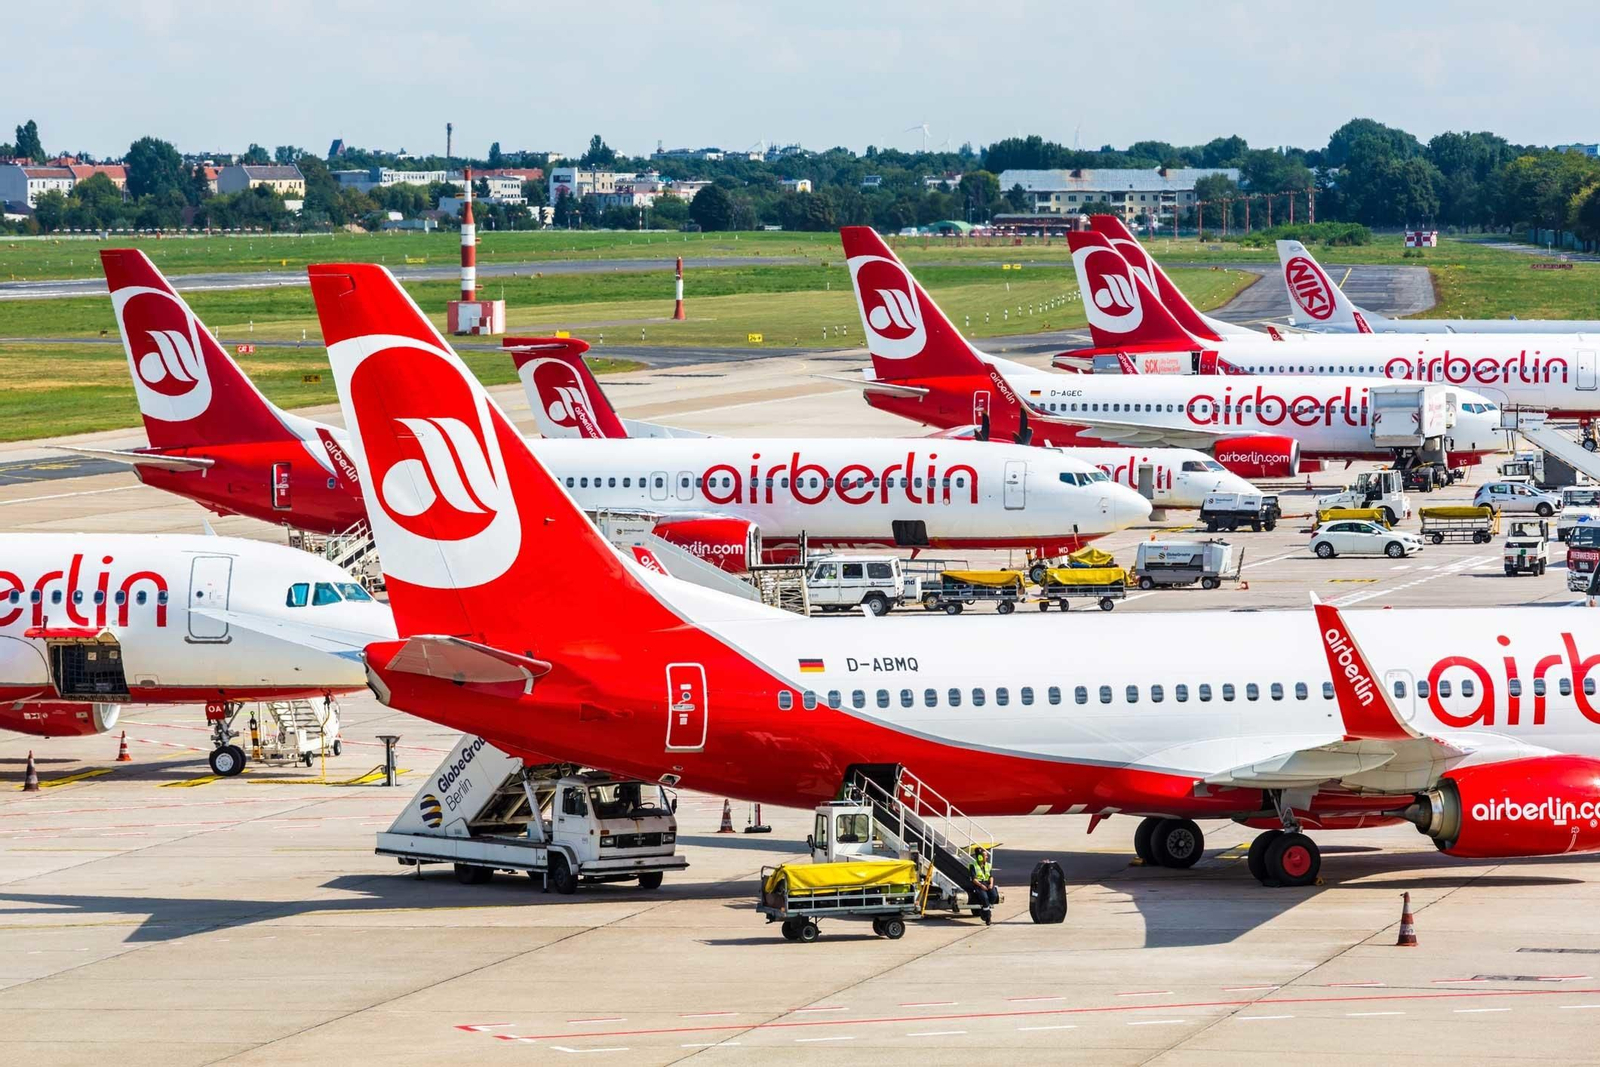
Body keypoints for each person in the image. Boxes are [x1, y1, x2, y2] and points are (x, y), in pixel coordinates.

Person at [969, 846, 998, 925]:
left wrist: (991, 884)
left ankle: (984, 910)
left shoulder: (988, 865)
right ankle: (988, 917)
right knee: (984, 898)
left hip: (987, 883)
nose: (987, 857)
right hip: (978, 884)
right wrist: (981, 885)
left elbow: (991, 876)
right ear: (980, 857)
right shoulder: (973, 865)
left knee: (994, 896)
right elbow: (974, 879)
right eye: (985, 856)